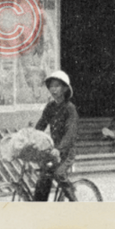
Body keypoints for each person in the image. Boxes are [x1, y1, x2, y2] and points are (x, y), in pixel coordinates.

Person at [32, 70, 79, 201]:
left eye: (57, 86)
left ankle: (75, 202)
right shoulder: (50, 107)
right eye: (51, 86)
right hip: (53, 150)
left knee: (59, 174)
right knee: (43, 176)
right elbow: (41, 124)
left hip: (66, 151)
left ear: (64, 89)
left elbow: (70, 133)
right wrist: (31, 136)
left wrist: (59, 149)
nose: (53, 89)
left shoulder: (70, 108)